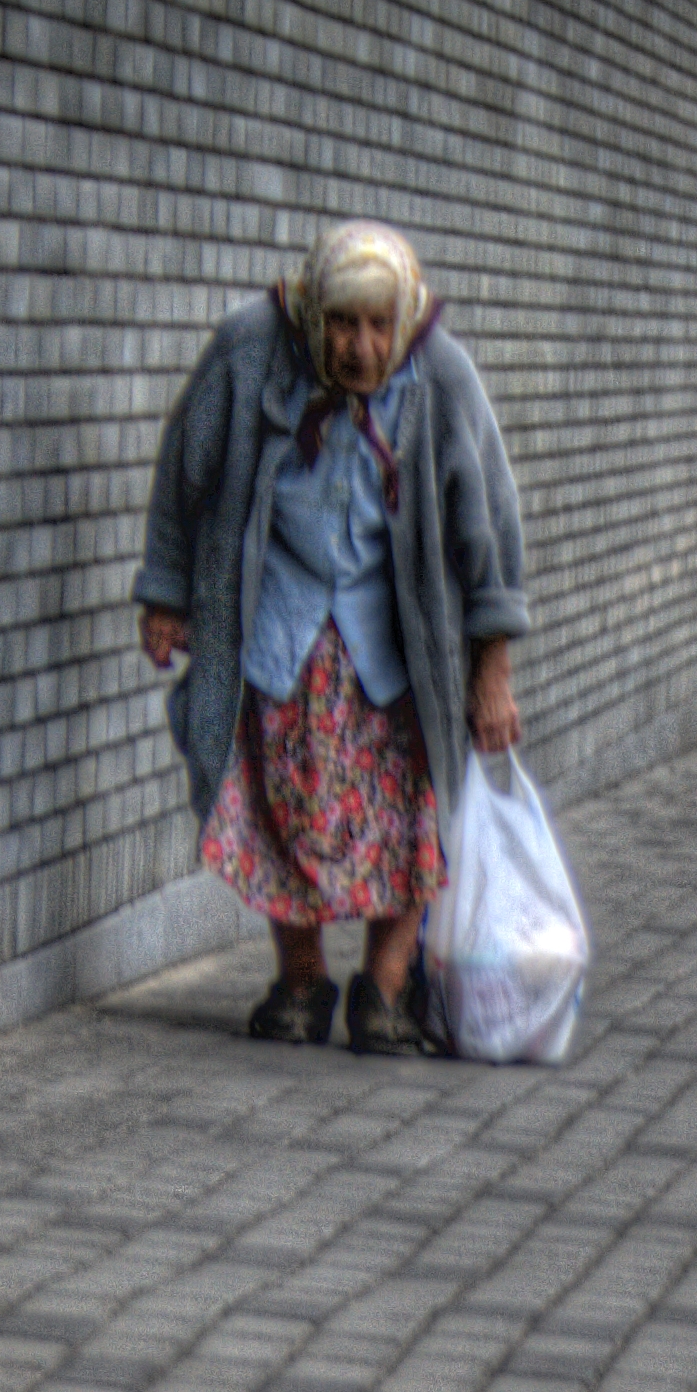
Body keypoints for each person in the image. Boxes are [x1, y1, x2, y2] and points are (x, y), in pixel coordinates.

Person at [137, 221, 527, 1053]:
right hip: (281, 634)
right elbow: (185, 465)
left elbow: (488, 520)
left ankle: (383, 991)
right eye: (344, 325)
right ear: (315, 316)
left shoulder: (439, 372)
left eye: (378, 326)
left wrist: (492, 665)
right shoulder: (251, 346)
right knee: (283, 810)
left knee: (412, 816)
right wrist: (167, 591)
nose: (360, 347)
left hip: (393, 648)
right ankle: (302, 982)